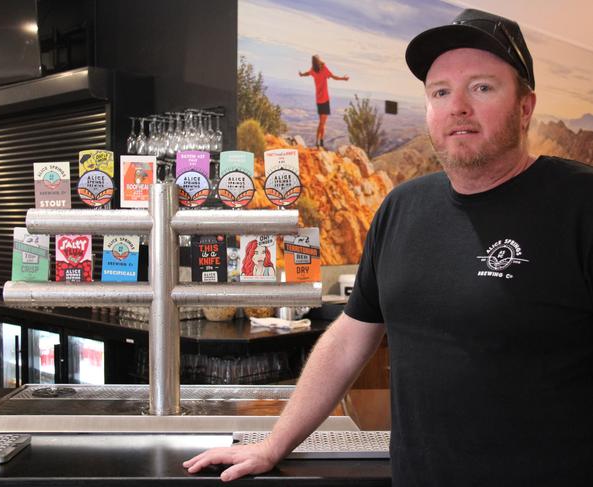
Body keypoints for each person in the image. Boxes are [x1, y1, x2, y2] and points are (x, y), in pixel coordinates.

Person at [184, 9, 593, 486]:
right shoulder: (402, 208)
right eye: (441, 92)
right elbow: (347, 340)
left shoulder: (579, 204)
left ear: (525, 107)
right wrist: (275, 443)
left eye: (482, 87)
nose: (458, 106)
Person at [298, 55, 349, 148]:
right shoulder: (323, 69)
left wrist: (301, 75)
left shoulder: (313, 70)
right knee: (322, 123)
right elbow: (334, 77)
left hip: (319, 100)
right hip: (325, 100)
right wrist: (343, 79)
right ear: (318, 61)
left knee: (323, 122)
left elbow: (307, 73)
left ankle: (321, 141)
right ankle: (317, 141)